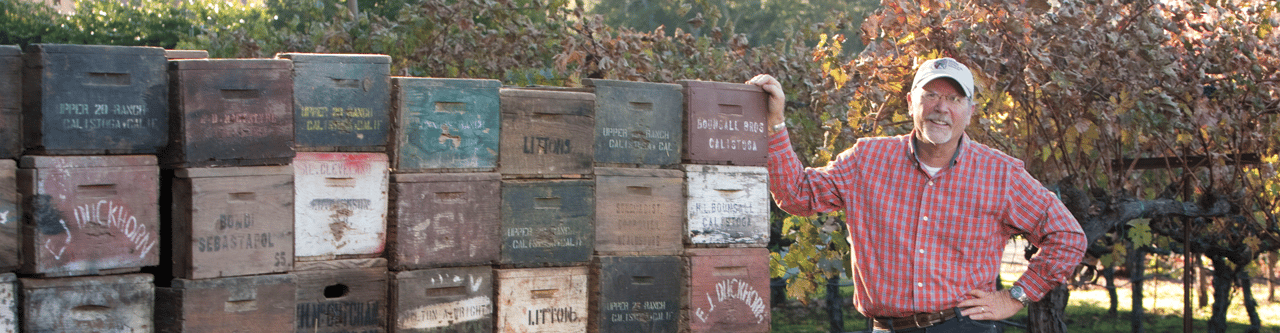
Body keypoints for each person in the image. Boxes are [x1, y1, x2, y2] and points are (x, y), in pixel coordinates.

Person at [748, 57, 1087, 333]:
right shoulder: (867, 160)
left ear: (969, 111)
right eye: (931, 95)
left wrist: (1014, 297)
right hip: (886, 328)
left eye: (954, 99)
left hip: (962, 328)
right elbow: (797, 196)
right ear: (911, 102)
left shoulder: (1001, 174)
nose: (941, 108)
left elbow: (1068, 236)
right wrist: (774, 123)